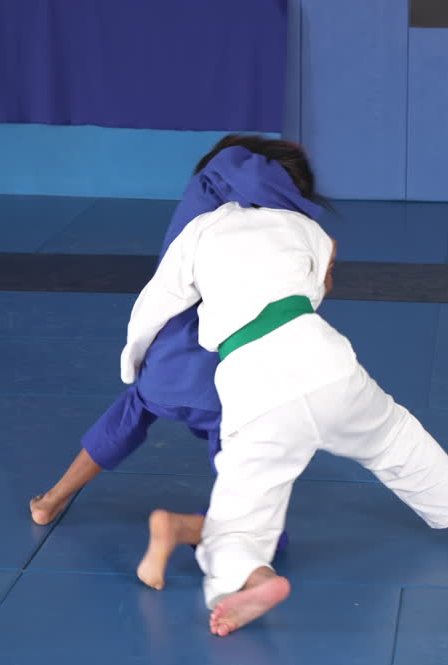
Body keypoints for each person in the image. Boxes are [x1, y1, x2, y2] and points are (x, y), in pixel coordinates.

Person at [119, 163, 448, 636]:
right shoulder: (306, 227)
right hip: (324, 361)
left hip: (252, 384)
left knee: (239, 521)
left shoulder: (202, 229)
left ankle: (254, 579)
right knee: (395, 438)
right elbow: (318, 290)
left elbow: (156, 302)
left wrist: (132, 360)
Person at [28, 137, 323, 565]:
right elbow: (302, 312)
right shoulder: (297, 230)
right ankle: (211, 533)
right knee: (251, 484)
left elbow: (159, 297)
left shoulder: (200, 199)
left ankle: (52, 499)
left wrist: (137, 357)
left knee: (133, 408)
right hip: (229, 382)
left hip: (163, 371)